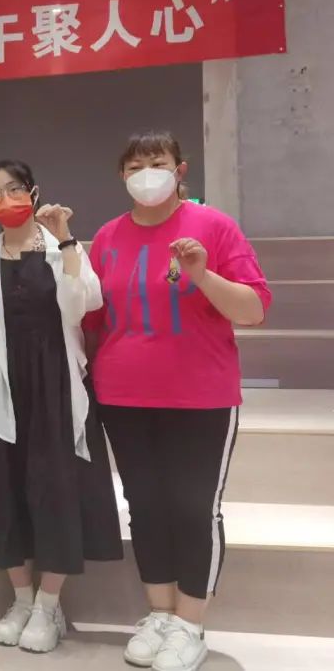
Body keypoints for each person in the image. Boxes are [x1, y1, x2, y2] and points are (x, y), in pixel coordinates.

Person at [85, 132, 270, 671]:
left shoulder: (213, 227)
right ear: (122, 176)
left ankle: (191, 623)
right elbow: (93, 320)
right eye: (135, 165)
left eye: (157, 163)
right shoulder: (107, 236)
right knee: (144, 506)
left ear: (179, 170)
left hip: (201, 398)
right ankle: (160, 614)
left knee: (194, 507)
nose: (147, 173)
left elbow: (254, 308)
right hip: (123, 396)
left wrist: (201, 275)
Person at [0, 159, 122, 654]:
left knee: (56, 490)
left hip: (56, 385)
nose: (4, 199)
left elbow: (83, 304)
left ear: (33, 192)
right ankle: (21, 600)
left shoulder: (62, 247)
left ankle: (50, 606)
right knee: (2, 490)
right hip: (1, 388)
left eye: (14, 189)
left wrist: (66, 239)